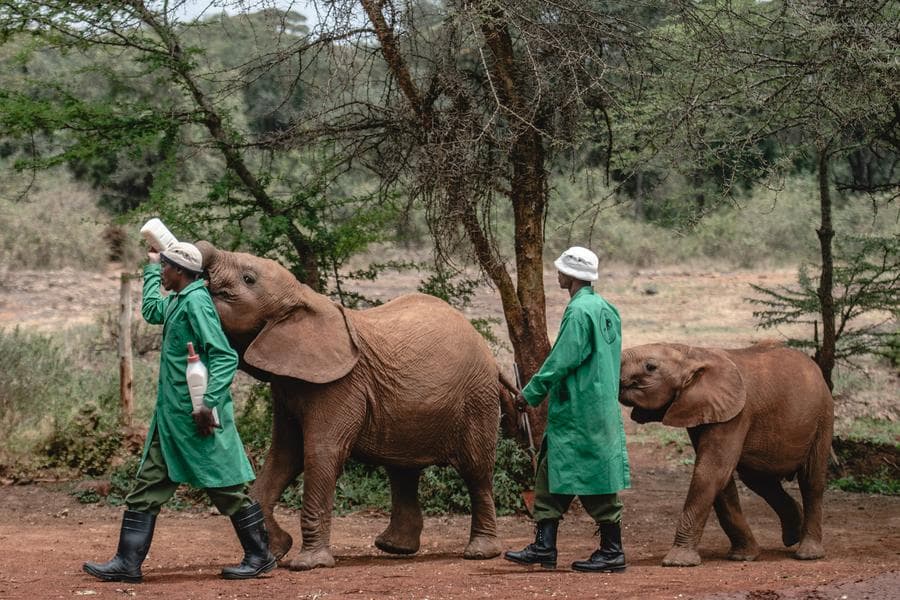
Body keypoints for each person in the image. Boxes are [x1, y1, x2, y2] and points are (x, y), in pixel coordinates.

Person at [83, 241, 276, 583]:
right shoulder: (179, 300)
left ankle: (260, 556)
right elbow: (153, 311)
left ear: (181, 271)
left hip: (195, 417)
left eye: (165, 268)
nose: (162, 272)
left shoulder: (197, 303)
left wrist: (208, 403)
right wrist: (150, 266)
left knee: (225, 487)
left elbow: (224, 356)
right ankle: (127, 563)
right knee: (147, 486)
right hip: (170, 418)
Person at [504, 246, 630, 572]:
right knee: (550, 471)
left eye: (560, 270)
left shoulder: (578, 313)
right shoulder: (606, 309)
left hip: (579, 411)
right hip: (598, 407)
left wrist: (529, 394)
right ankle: (544, 546)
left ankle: (612, 551)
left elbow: (561, 360)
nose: (557, 274)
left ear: (572, 276)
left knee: (593, 481)